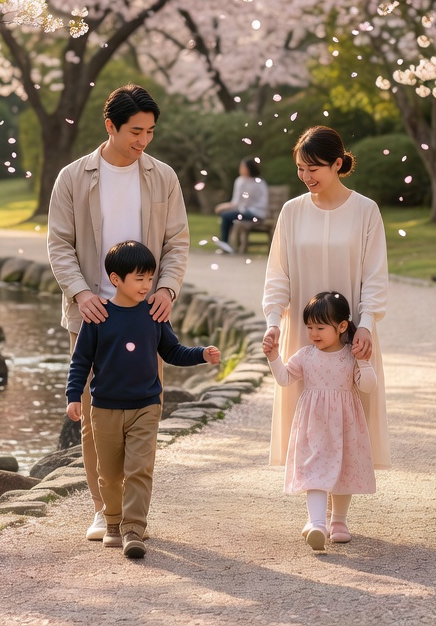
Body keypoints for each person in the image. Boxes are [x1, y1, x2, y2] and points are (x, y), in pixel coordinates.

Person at [47, 84, 190, 542]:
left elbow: (177, 243)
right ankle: (102, 508)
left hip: (148, 315)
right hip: (93, 316)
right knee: (96, 420)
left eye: (150, 131)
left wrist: (166, 288)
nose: (143, 140)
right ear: (110, 126)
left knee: (145, 414)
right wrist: (80, 293)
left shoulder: (163, 176)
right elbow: (59, 245)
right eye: (135, 131)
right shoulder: (73, 176)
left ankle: (133, 515)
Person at [262, 125, 390, 544]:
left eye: (314, 168)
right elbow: (277, 273)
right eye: (300, 168)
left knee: (348, 421)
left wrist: (367, 323)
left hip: (352, 335)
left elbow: (374, 276)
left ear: (338, 164)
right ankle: (315, 515)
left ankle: (340, 516)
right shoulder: (293, 211)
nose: (307, 177)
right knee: (312, 422)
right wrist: (272, 321)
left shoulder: (366, 210)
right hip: (306, 334)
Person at [66, 241, 219, 559]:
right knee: (108, 473)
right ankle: (112, 523)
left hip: (146, 405)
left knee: (139, 468)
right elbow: (81, 362)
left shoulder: (154, 315)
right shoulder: (98, 318)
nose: (147, 286)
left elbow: (172, 351)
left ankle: (133, 529)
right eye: (140, 279)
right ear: (115, 279)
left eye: (150, 279)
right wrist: (73, 397)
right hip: (105, 407)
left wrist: (201, 354)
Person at [264, 291, 377, 551]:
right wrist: (273, 358)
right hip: (314, 425)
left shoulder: (350, 355)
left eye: (320, 327)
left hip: (344, 423)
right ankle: (317, 523)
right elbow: (284, 378)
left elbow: (368, 386)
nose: (313, 333)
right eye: (309, 327)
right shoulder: (306, 355)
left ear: (341, 326)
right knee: (315, 470)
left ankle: (339, 521)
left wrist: (365, 363)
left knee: (343, 468)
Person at [213, 157, 269, 254]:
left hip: (252, 213)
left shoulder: (241, 181)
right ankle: (227, 245)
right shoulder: (261, 182)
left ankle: (225, 245)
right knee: (228, 216)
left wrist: (221, 207)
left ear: (248, 168)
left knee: (225, 216)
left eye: (242, 166)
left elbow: (236, 203)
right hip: (258, 213)